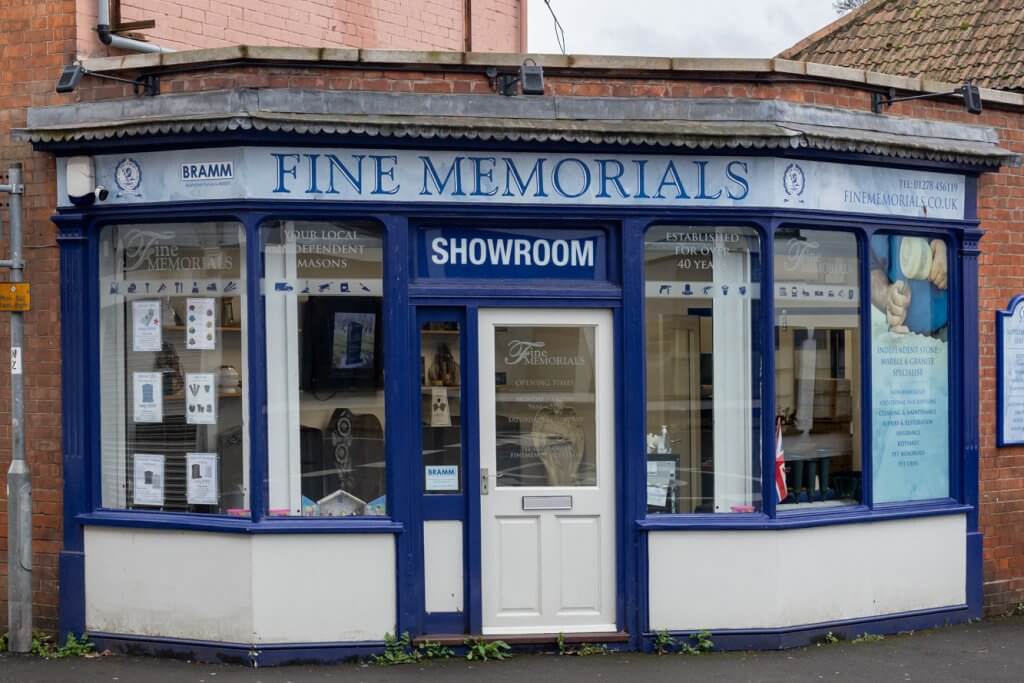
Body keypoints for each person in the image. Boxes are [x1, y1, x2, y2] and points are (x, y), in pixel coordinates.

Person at [869, 235, 947, 337]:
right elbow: (871, 265)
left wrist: (950, 248)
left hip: (951, 327)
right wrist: (887, 296)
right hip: (906, 335)